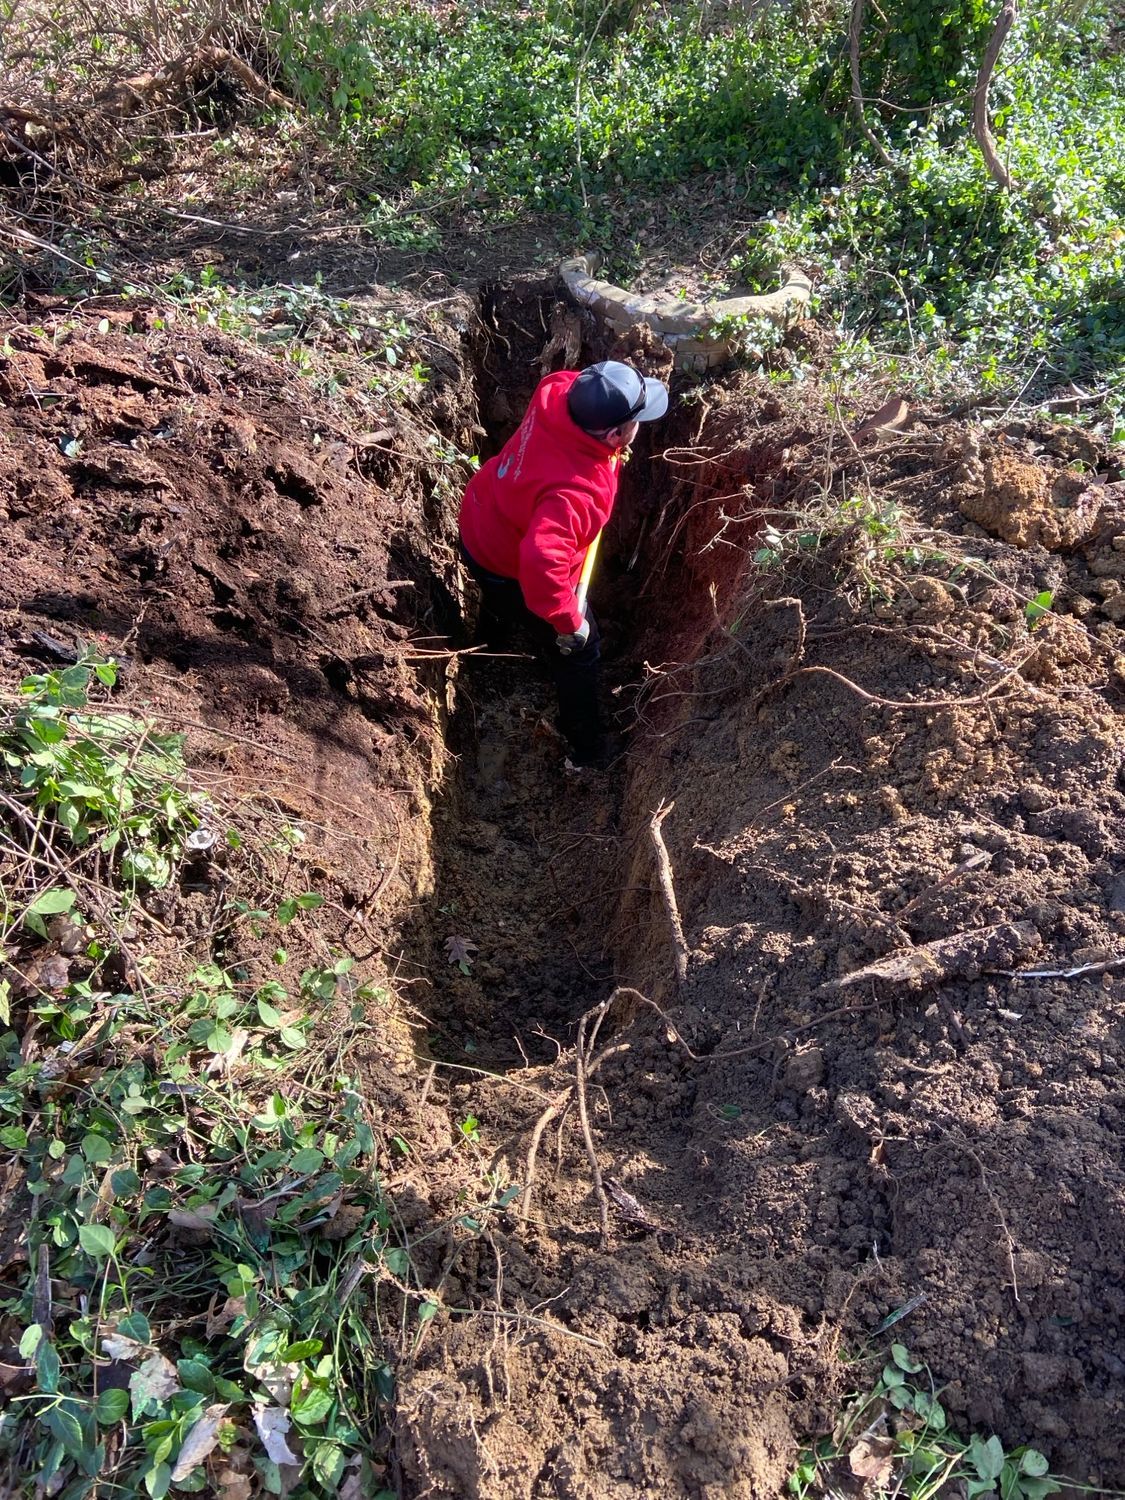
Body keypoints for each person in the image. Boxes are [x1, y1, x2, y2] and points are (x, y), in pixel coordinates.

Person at [459, 359, 669, 768]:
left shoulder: (556, 392)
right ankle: (587, 748)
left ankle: (491, 641)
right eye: (636, 422)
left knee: (501, 603)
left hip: (483, 517)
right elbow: (541, 561)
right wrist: (568, 622)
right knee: (579, 652)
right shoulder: (575, 493)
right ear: (614, 434)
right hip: (509, 565)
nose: (639, 428)